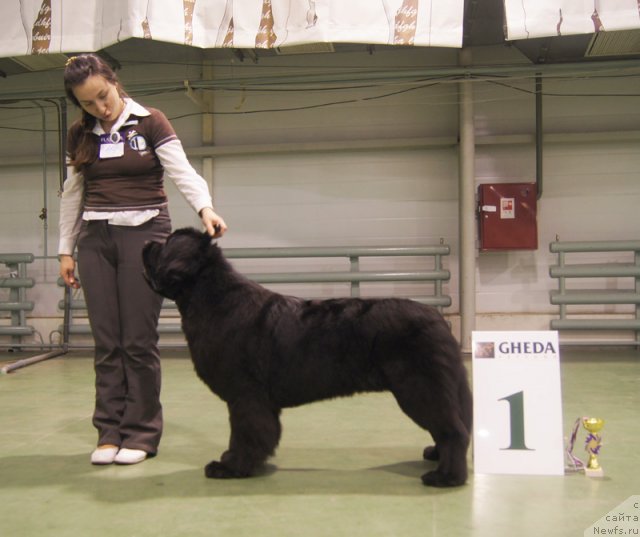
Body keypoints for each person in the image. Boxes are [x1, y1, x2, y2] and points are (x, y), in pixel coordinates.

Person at [58, 53, 227, 466]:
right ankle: (109, 432)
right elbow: (72, 194)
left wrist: (205, 208)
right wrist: (66, 248)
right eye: (88, 103)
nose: (101, 107)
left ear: (114, 82)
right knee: (107, 342)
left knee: (137, 339)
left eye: (103, 96)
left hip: (145, 233)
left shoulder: (151, 121)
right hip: (96, 239)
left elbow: (182, 171)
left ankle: (142, 433)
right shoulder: (81, 133)